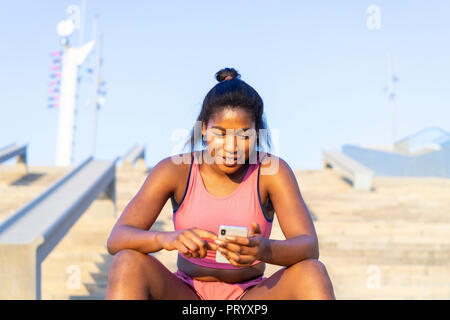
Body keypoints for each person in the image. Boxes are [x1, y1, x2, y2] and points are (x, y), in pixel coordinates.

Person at [105, 67, 335, 300]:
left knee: (312, 272)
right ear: (204, 129)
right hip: (187, 295)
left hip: (250, 298)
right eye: (220, 133)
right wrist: (167, 239)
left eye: (244, 135)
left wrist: (264, 249)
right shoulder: (175, 169)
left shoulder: (270, 171)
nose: (231, 146)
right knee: (127, 262)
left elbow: (308, 247)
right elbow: (117, 239)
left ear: (257, 133)